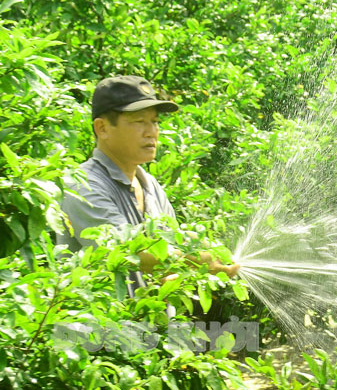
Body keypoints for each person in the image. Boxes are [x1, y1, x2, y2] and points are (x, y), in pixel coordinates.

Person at [57, 75, 239, 298]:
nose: (151, 131)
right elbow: (129, 252)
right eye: (139, 121)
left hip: (147, 330)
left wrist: (203, 255)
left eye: (155, 121)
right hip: (94, 331)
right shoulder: (82, 185)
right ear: (102, 128)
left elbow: (170, 244)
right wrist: (199, 260)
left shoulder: (149, 184)